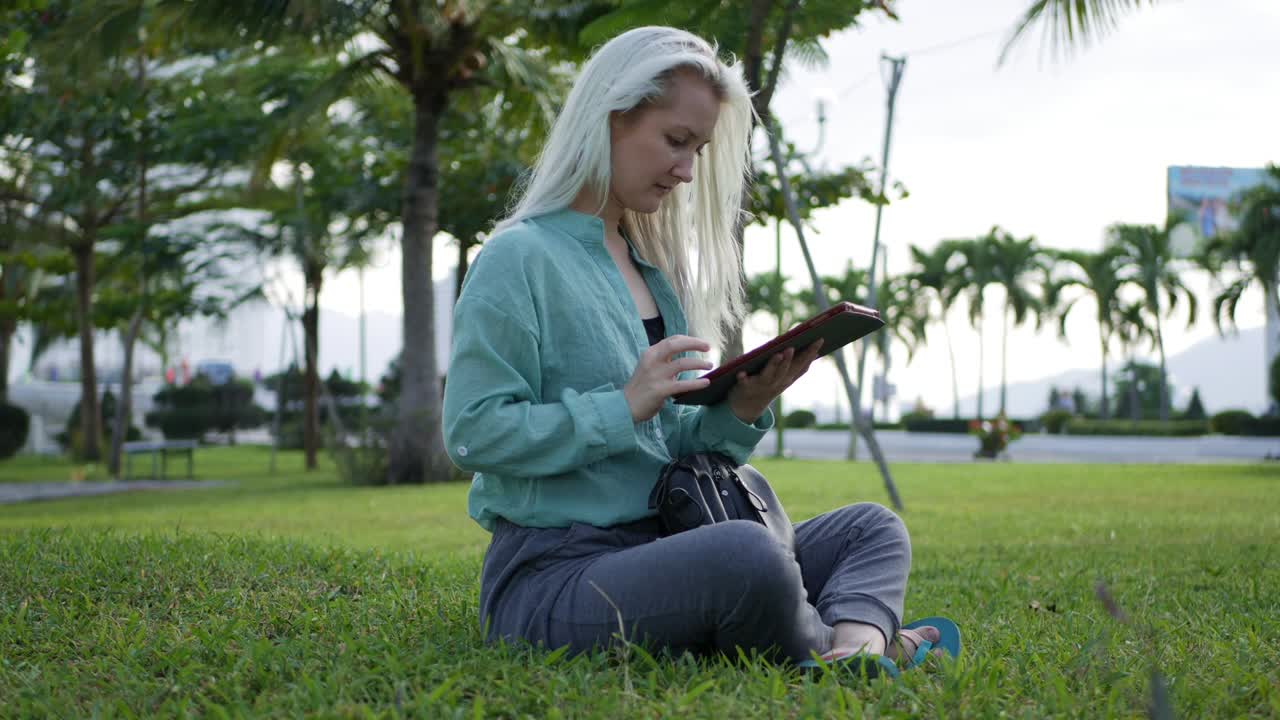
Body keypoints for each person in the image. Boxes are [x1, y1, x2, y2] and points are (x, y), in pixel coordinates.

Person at [443, 26, 949, 671]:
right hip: (555, 575)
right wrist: (621, 405)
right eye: (675, 141)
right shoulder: (519, 257)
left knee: (871, 528)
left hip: (668, 543)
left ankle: (857, 654)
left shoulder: (649, 269)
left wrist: (741, 408)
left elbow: (669, 451)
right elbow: (471, 432)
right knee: (748, 556)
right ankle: (858, 651)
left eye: (698, 149)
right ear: (611, 118)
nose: (686, 170)